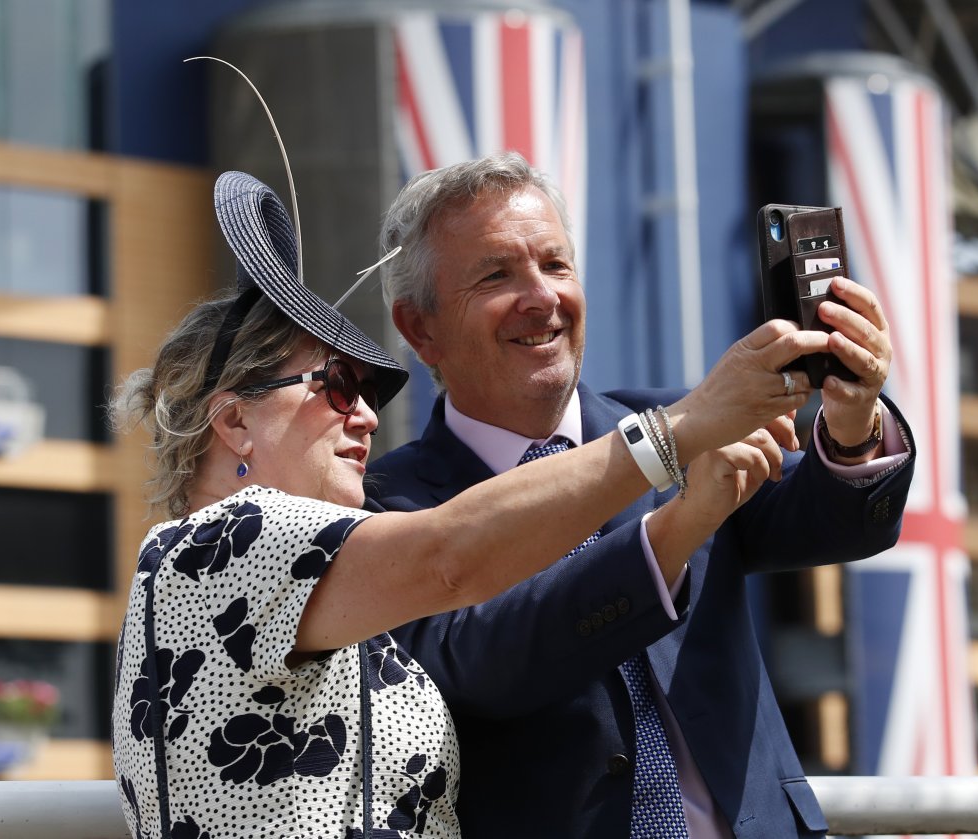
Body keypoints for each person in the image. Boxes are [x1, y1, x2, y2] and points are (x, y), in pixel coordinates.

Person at [109, 170, 831, 839]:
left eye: (366, 392)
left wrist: (848, 419)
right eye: (332, 386)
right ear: (234, 421)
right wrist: (678, 431)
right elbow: (453, 561)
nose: (364, 415)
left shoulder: (288, 563)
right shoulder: (225, 542)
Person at [367, 151, 916, 839]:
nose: (542, 297)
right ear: (420, 328)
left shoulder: (687, 421)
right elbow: (482, 665)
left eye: (556, 264)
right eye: (496, 275)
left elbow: (836, 523)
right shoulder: (389, 510)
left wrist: (853, 417)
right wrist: (677, 527)